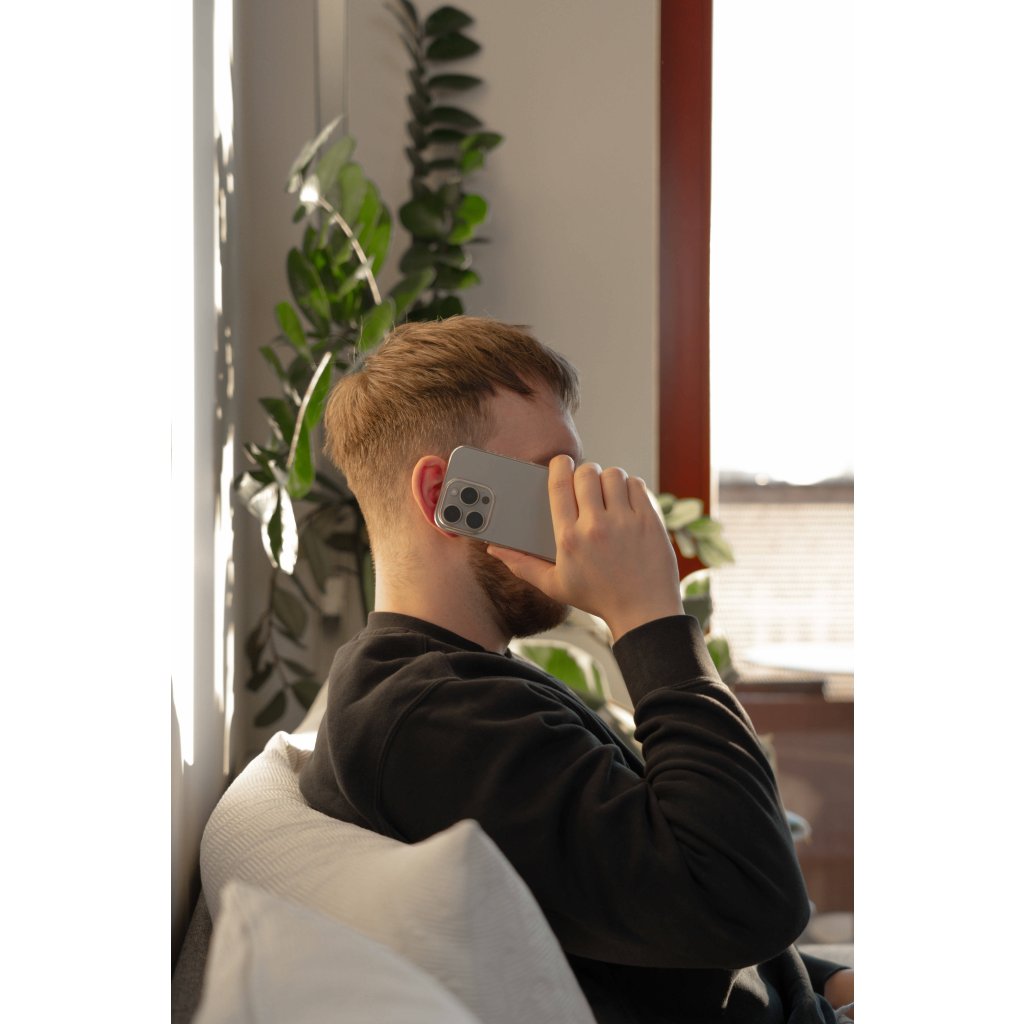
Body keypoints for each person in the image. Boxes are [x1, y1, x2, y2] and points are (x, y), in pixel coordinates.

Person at [299, 316, 854, 1023]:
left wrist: (833, 981)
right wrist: (648, 614)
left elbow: (674, 900)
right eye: (555, 475)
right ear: (446, 495)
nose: (580, 506)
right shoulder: (429, 718)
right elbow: (746, 897)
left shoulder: (465, 682)